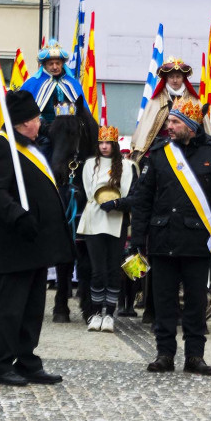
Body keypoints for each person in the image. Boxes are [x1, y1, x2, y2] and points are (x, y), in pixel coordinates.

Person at [129, 97, 211, 376]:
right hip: (163, 240)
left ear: (190, 125)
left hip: (198, 243)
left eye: (175, 122)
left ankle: (194, 356)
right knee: (163, 301)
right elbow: (143, 199)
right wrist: (138, 238)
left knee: (196, 302)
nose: (169, 126)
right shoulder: (160, 153)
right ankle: (164, 353)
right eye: (169, 121)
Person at [0, 90, 73, 386]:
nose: (40, 124)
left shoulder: (30, 146)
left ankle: (27, 360)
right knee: (11, 307)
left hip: (37, 241)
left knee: (33, 307)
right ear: (23, 123)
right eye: (36, 119)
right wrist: (18, 216)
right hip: (15, 240)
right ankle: (1, 363)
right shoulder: (1, 145)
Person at [76, 125, 139, 333]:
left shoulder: (128, 167)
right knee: (97, 270)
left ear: (114, 144)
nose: (104, 147)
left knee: (113, 269)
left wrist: (116, 204)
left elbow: (134, 195)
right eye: (101, 143)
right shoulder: (88, 165)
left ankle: (110, 314)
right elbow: (88, 191)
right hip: (94, 220)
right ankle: (95, 313)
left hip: (116, 220)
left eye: (107, 143)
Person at [130, 56, 199, 162]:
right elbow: (146, 130)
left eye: (178, 76)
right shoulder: (155, 101)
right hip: (161, 148)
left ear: (183, 78)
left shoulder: (194, 101)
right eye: (171, 77)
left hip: (188, 149)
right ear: (166, 78)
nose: (175, 80)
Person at [19, 41, 91, 126]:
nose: (55, 67)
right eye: (51, 64)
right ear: (44, 65)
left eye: (58, 63)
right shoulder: (32, 84)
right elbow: (25, 112)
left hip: (69, 128)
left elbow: (83, 111)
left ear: (62, 64)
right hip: (42, 129)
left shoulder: (73, 83)